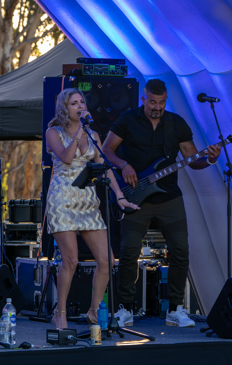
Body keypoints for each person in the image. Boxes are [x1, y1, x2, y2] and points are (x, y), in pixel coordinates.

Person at [101, 79, 221, 328]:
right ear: (143, 99)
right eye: (153, 102)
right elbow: (106, 150)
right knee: (129, 251)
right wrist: (124, 165)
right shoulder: (127, 119)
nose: (157, 107)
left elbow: (193, 160)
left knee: (180, 251)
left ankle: (175, 309)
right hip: (135, 197)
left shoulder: (176, 124)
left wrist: (210, 159)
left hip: (169, 197)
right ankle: (125, 308)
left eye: (162, 102)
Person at [45, 88, 141, 330]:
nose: (80, 106)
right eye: (74, 103)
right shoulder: (53, 132)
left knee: (107, 260)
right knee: (71, 260)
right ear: (64, 108)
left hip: (87, 200)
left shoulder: (94, 135)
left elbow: (105, 168)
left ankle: (94, 311)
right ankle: (60, 313)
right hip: (62, 199)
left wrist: (120, 196)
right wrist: (79, 131)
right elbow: (67, 158)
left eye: (82, 102)